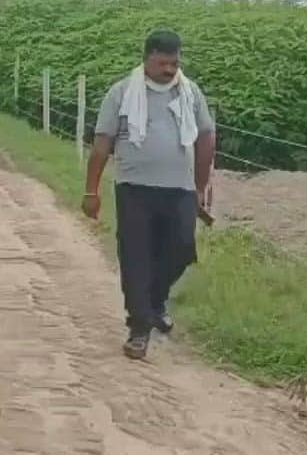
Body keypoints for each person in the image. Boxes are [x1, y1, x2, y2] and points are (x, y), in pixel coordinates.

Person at [84, 30, 216, 360]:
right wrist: (91, 190)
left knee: (183, 248)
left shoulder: (190, 93)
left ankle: (155, 302)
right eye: (163, 63)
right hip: (134, 188)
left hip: (180, 189)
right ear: (147, 58)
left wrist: (200, 187)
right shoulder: (122, 93)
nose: (170, 70)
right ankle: (140, 328)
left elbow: (206, 137)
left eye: (175, 63)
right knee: (136, 257)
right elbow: (102, 144)